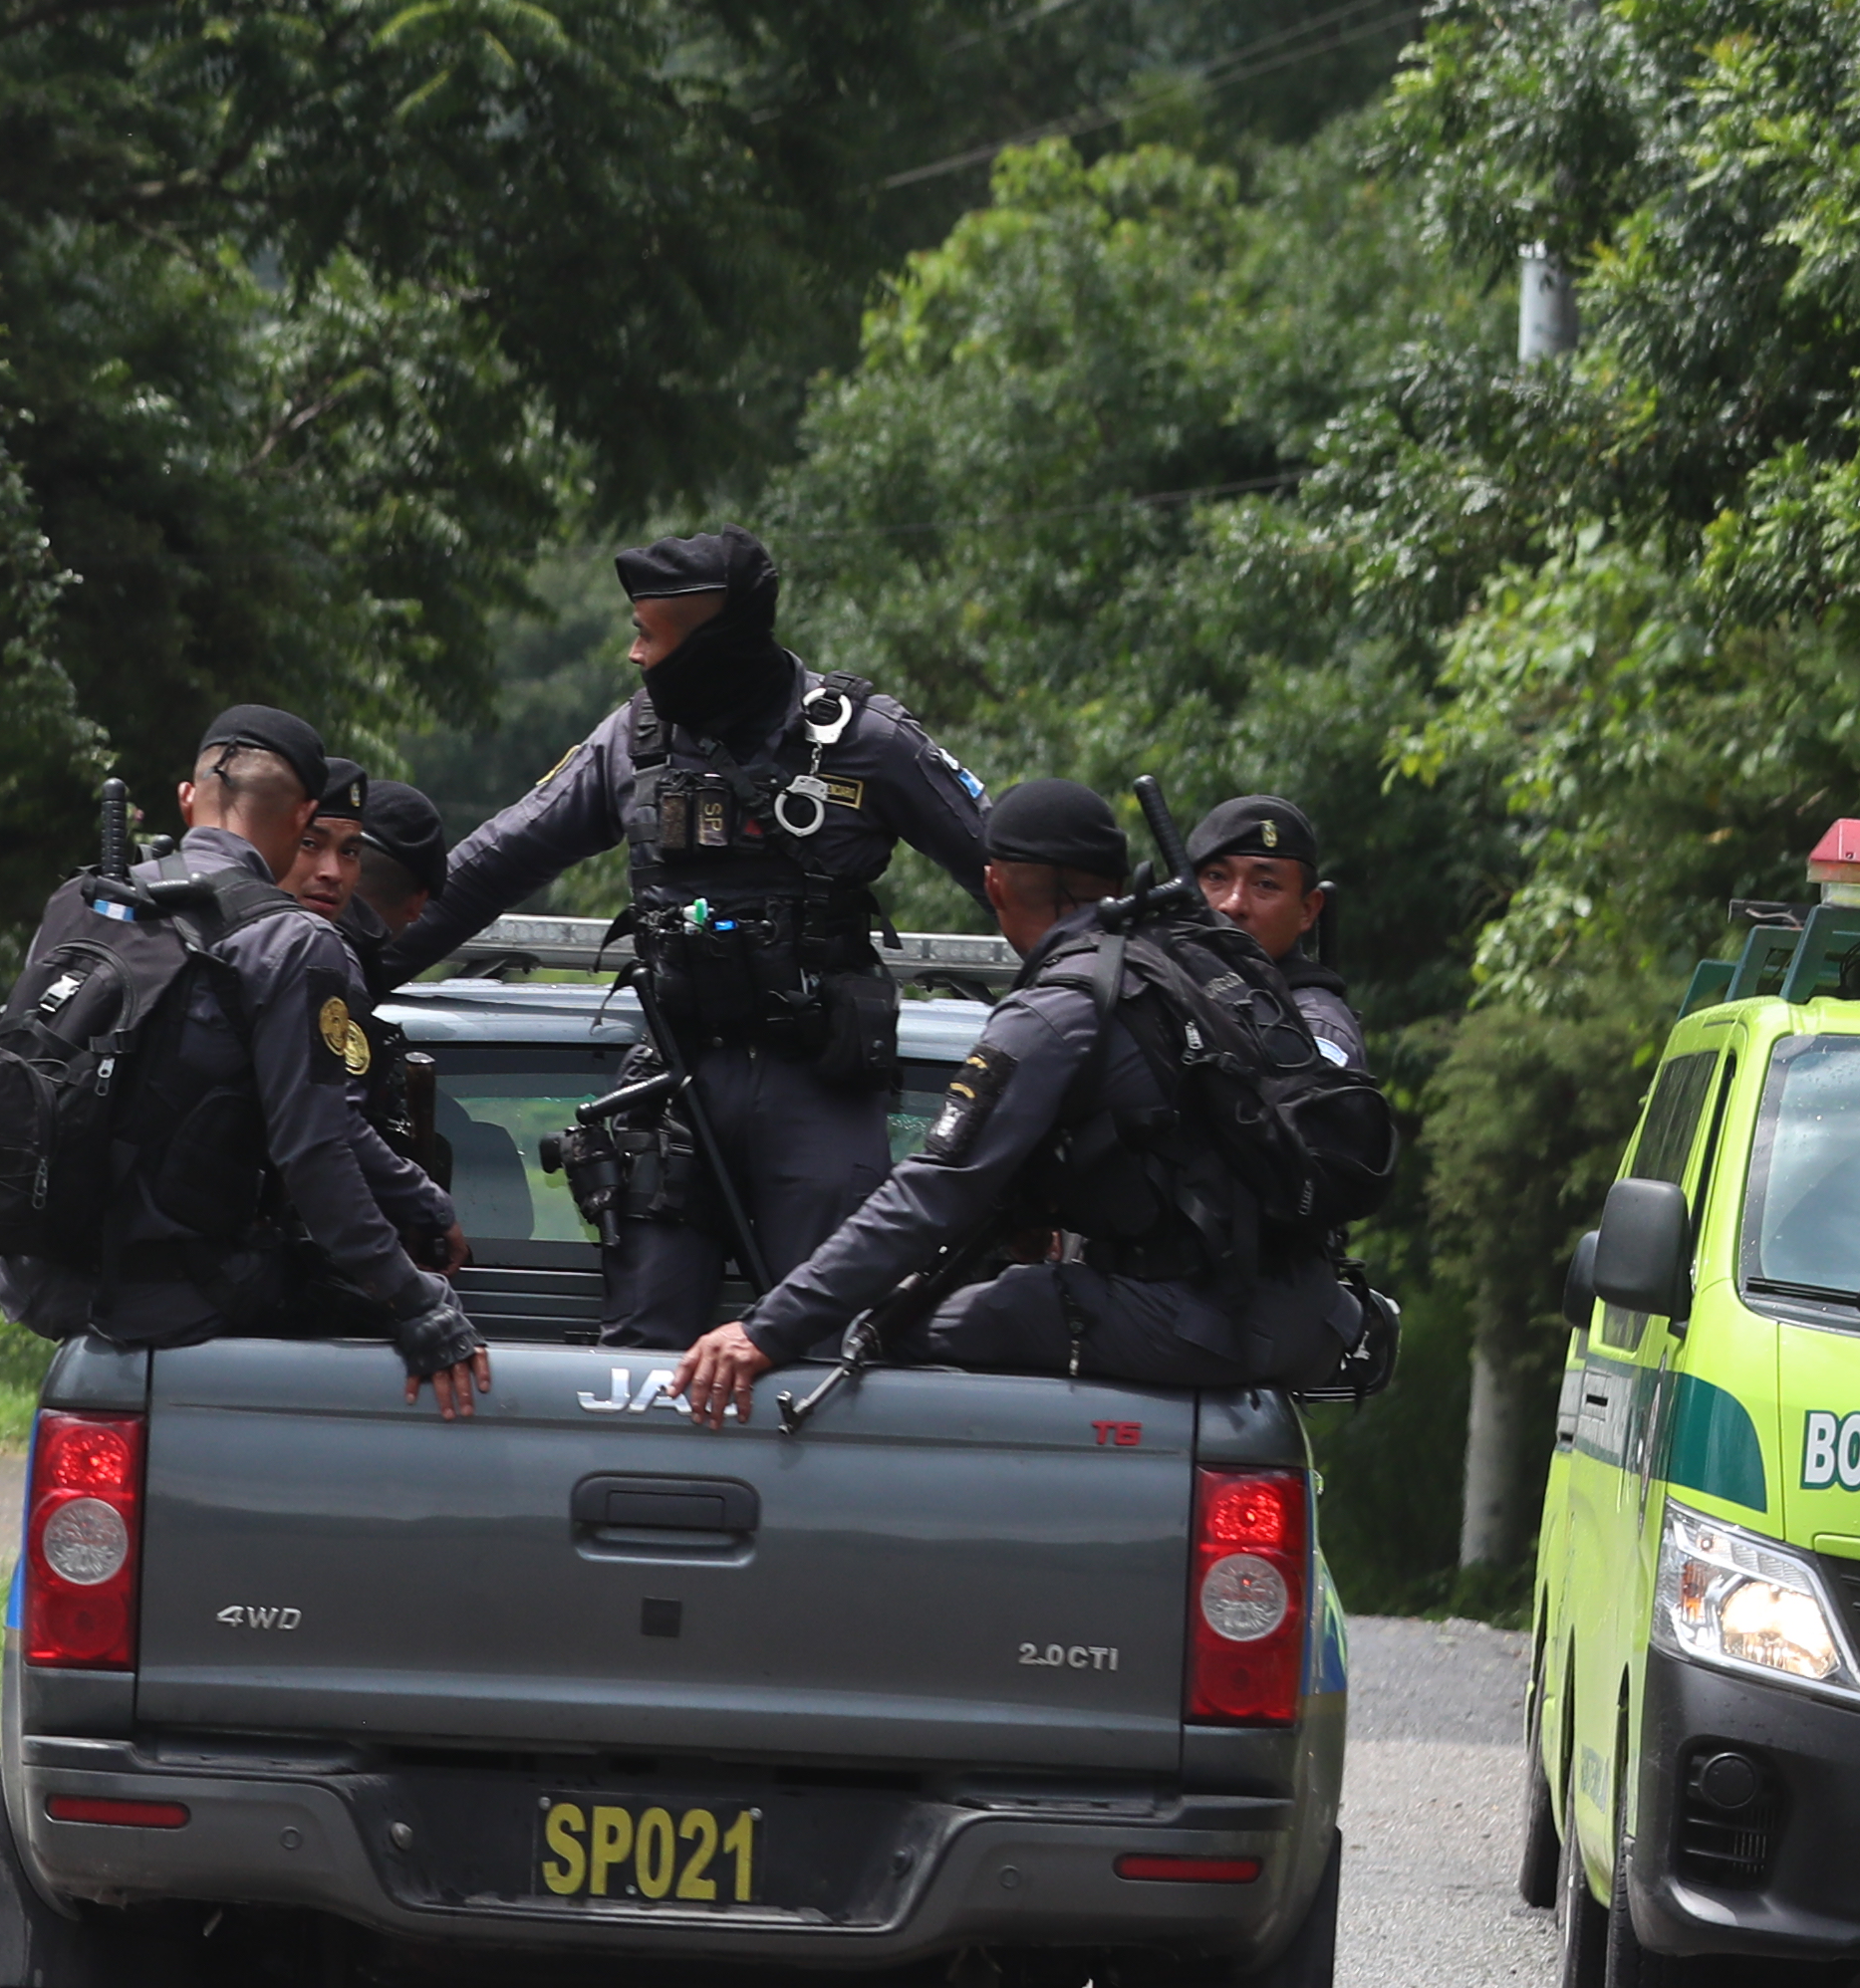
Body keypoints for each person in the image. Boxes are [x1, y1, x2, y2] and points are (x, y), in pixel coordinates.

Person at [367, 530, 990, 1345]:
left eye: (649, 635)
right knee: (642, 1348)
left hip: (818, 1082)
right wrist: (347, 969)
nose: (633, 655)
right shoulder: (631, 740)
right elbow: (483, 871)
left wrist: (1108, 983)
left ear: (714, 642)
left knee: (830, 1342)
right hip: (671, 1079)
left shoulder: (866, 739)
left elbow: (1013, 871)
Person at [669, 781, 1358, 1417]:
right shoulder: (1183, 972)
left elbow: (930, 1193)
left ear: (994, 886)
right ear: (1117, 885)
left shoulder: (1061, 1006)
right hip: (1303, 1315)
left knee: (865, 1332)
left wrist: (765, 1330)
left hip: (1202, 1321)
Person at [0, 706, 488, 1413]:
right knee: (366, 1314)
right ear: (302, 815)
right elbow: (314, 1149)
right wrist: (418, 1303)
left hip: (43, 1272)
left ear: (188, 799)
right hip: (176, 1294)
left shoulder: (84, 899)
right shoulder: (293, 942)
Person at [288, 773, 456, 1196]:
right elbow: (336, 1131)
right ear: (417, 903)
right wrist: (424, 1203)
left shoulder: (263, 939)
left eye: (348, 852)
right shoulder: (333, 966)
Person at [1187, 792, 1366, 1071]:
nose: (1233, 904)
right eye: (1216, 877)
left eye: (1265, 884)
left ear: (1307, 909)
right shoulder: (1172, 989)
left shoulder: (1314, 1025)